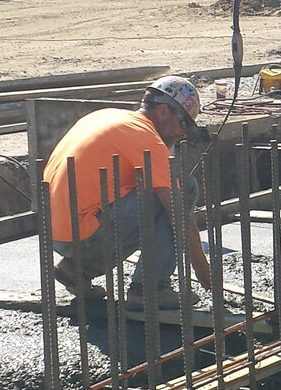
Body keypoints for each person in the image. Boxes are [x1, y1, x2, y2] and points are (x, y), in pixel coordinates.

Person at [41, 76, 215, 313]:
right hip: (84, 233)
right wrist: (205, 274)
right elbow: (178, 215)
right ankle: (148, 288)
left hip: (57, 233)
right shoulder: (145, 137)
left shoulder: (107, 116)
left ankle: (76, 270)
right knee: (185, 188)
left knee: (155, 189)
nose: (183, 134)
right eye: (184, 123)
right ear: (164, 111)